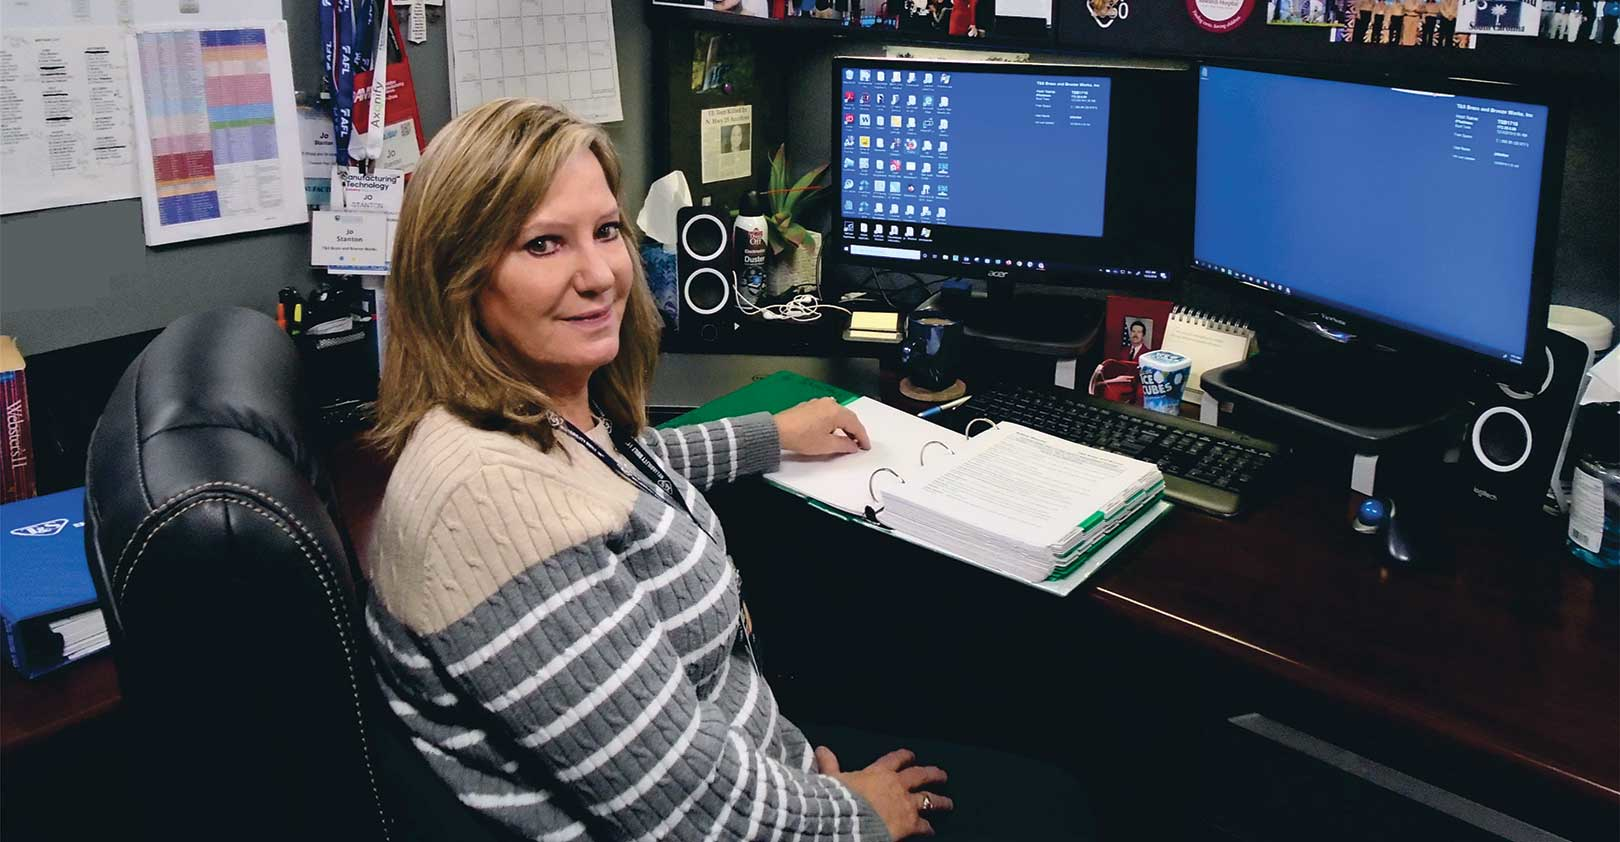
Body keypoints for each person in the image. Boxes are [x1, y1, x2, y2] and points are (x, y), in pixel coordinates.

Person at [365, 98, 953, 841]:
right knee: (1055, 795)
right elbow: (694, 813)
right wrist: (855, 814)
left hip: (776, 778)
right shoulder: (486, 500)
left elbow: (614, 477)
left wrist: (768, 435)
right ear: (459, 277)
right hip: (760, 817)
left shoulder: (531, 419)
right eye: (544, 244)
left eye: (606, 231)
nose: (600, 275)